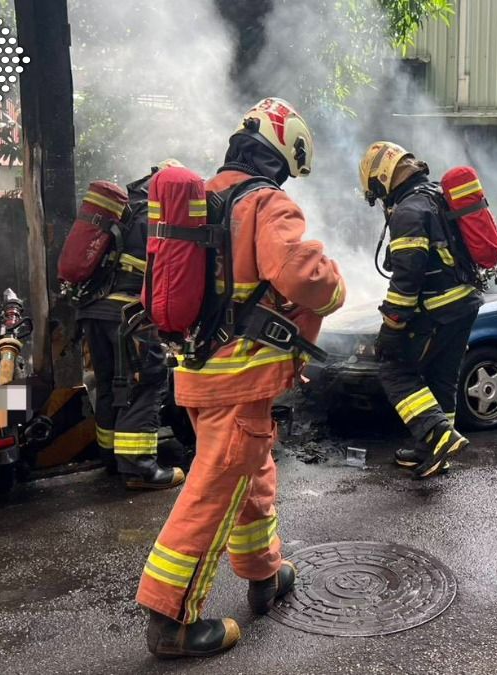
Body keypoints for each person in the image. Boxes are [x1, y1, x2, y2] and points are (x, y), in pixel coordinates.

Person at [137, 98, 346, 658]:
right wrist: (336, 286)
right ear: (282, 154)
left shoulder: (207, 198)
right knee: (213, 489)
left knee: (251, 477)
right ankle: (170, 620)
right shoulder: (265, 202)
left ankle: (264, 575)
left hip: (201, 371)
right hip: (240, 377)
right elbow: (300, 275)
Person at [359, 141, 483, 479]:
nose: (379, 195)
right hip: (465, 304)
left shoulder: (409, 211)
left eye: (376, 187)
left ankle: (438, 434)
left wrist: (392, 327)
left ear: (383, 177)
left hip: (437, 310)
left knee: (394, 369)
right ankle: (432, 450)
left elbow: (407, 277)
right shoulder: (437, 198)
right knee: (442, 376)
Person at [78, 160, 184, 491]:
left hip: (94, 311)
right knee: (146, 383)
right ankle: (139, 469)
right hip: (130, 315)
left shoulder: (123, 208)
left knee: (109, 384)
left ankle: (111, 458)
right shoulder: (160, 215)